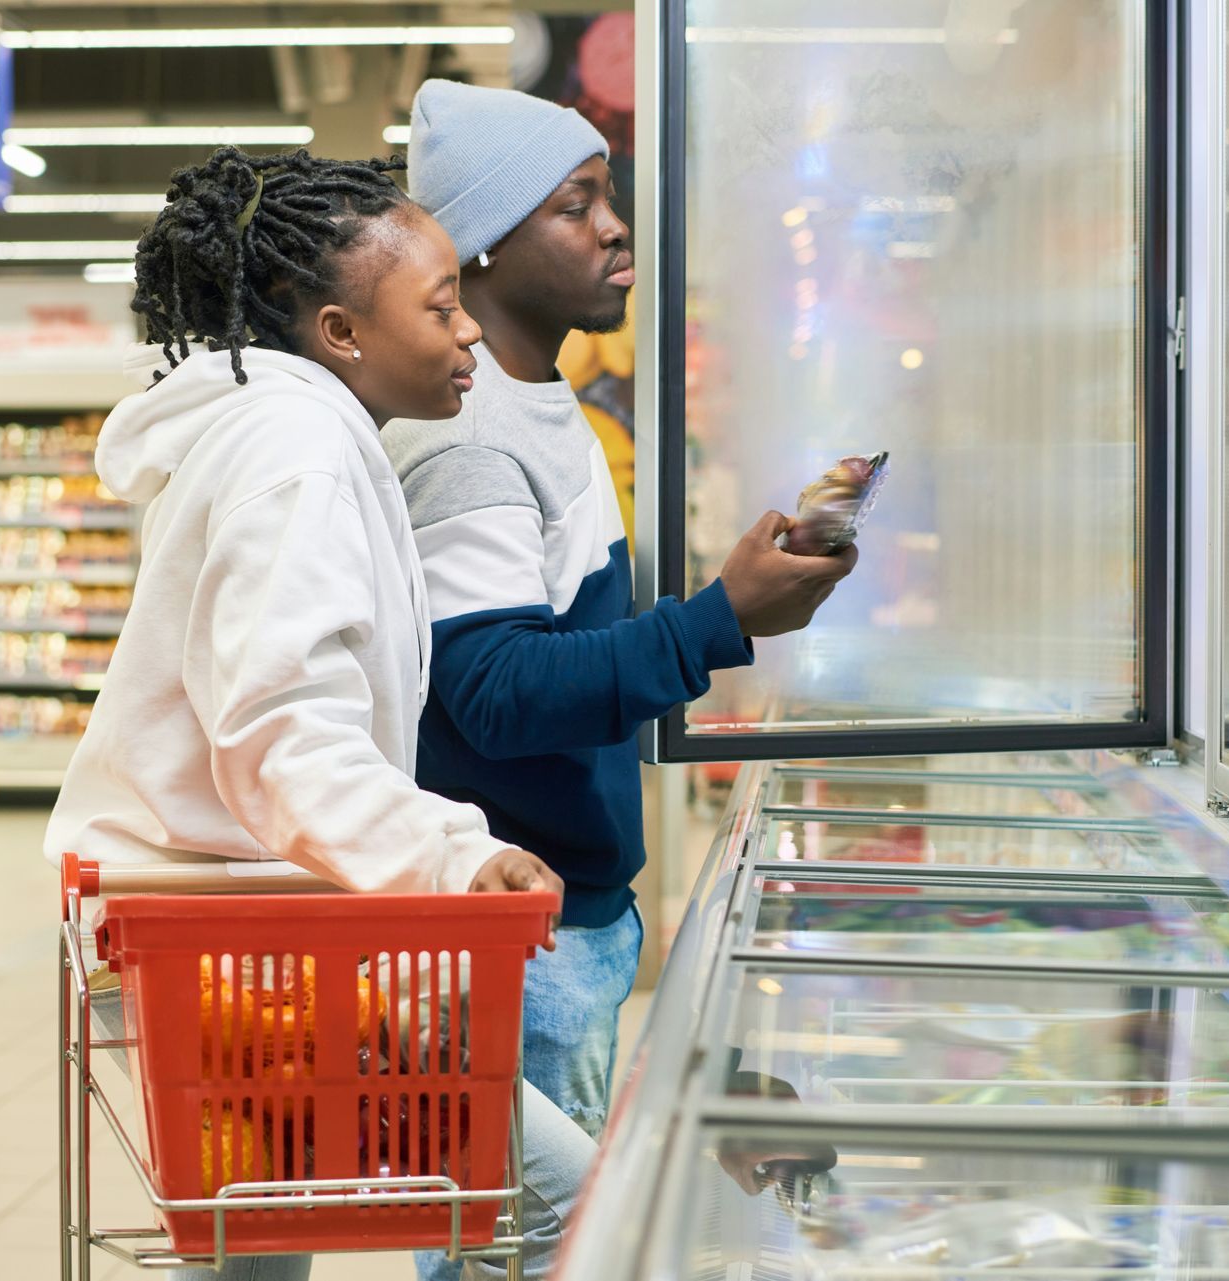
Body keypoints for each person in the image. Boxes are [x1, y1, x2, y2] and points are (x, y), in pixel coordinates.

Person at [42, 145, 591, 1281]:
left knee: (256, 1248)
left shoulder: (294, 433)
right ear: (342, 332)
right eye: (441, 308)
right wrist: (450, 852)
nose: (471, 332)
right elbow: (282, 732)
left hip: (225, 933)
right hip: (226, 947)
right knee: (567, 1200)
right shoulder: (297, 455)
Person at [384, 80, 853, 1156]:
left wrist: (730, 608)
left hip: (564, 924)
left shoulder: (547, 409)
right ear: (488, 247)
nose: (614, 226)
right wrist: (717, 620)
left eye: (609, 197)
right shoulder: (468, 439)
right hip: (514, 940)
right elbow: (499, 693)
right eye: (575, 204)